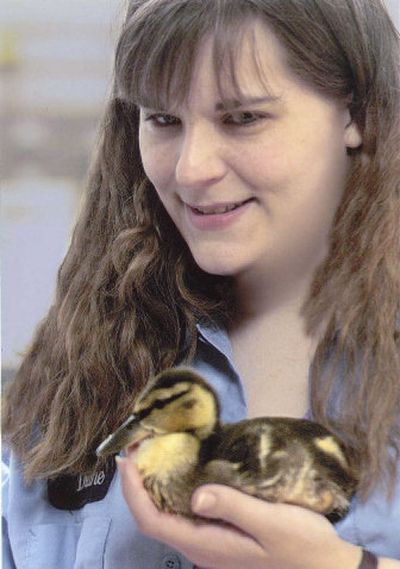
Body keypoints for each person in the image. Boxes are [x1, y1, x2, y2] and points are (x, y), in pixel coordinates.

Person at [2, 0, 400, 567]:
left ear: (356, 115)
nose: (191, 169)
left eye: (243, 117)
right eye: (164, 120)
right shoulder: (76, 372)